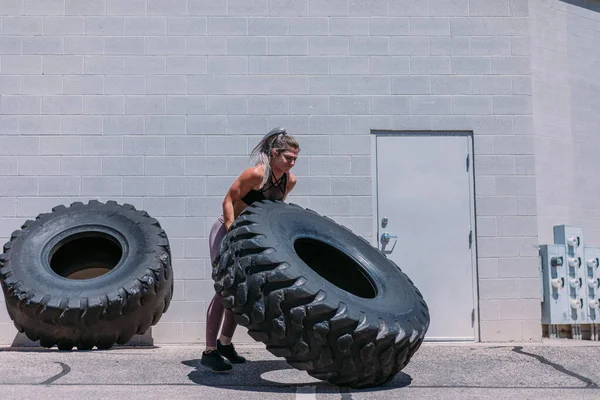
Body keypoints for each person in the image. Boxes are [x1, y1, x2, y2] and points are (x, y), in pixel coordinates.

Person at [201, 127, 300, 372]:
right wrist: (233, 232)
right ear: (275, 153)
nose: (292, 163)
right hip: (226, 231)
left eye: (296, 159)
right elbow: (228, 201)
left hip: (249, 237)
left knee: (240, 292)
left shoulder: (289, 181)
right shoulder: (256, 174)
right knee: (224, 290)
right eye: (288, 158)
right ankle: (209, 352)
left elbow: (272, 212)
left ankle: (224, 344)